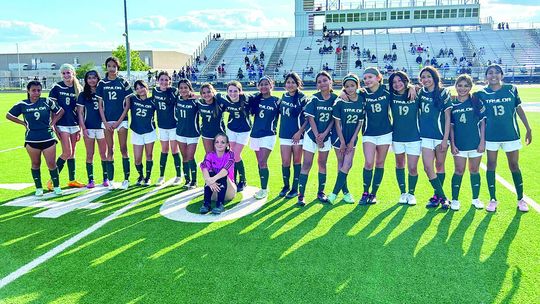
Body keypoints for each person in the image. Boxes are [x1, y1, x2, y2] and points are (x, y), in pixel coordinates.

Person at [475, 64, 532, 212]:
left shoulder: (511, 89)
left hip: (510, 135)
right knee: (491, 165)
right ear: (486, 76)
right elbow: (462, 97)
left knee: (514, 165)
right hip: (491, 136)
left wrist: (528, 128)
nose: (493, 75)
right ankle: (492, 199)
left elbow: (518, 109)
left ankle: (520, 199)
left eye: (496, 73)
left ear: (502, 75)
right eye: (490, 73)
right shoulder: (481, 93)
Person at [6, 81, 64, 196]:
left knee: (51, 164)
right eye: (33, 90)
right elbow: (9, 115)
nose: (36, 93)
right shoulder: (23, 104)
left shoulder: (47, 101)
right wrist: (23, 123)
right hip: (32, 140)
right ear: (28, 91)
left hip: (48, 138)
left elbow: (60, 111)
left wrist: (53, 123)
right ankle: (38, 188)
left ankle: (57, 186)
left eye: (38, 90)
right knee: (35, 163)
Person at [297, 71, 336, 206]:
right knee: (307, 164)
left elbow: (333, 119)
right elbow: (310, 118)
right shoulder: (314, 98)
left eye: (325, 80)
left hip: (326, 136)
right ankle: (301, 195)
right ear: (317, 85)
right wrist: (317, 135)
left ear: (330, 82)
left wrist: (324, 134)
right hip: (311, 135)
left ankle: (321, 192)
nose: (322, 83)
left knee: (322, 163)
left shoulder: (335, 99)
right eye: (319, 81)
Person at [449, 74, 486, 211]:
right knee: (459, 170)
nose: (462, 88)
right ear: (455, 86)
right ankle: (455, 200)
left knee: (474, 170)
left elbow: (483, 123)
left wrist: (482, 142)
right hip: (460, 144)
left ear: (470, 87)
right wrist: (452, 144)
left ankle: (475, 199)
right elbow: (451, 127)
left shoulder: (476, 101)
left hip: (475, 143)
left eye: (466, 86)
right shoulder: (452, 104)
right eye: (459, 85)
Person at [417, 66, 452, 209]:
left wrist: (445, 139)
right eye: (423, 77)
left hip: (440, 136)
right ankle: (443, 196)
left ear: (434, 77)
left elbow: (448, 117)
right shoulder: (420, 93)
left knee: (439, 165)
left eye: (428, 76)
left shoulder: (443, 93)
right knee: (427, 167)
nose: (426, 80)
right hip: (425, 136)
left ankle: (436, 197)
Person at [96, 57, 133, 190]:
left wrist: (118, 122)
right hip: (106, 121)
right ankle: (111, 180)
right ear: (106, 67)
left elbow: (127, 104)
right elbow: (100, 105)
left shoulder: (123, 82)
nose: (112, 68)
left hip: (121, 120)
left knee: (123, 149)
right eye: (109, 66)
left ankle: (126, 179)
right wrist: (105, 122)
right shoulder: (102, 83)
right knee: (110, 150)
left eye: (114, 66)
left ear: (118, 68)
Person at [327, 74, 364, 204]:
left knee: (347, 165)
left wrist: (352, 140)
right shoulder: (339, 101)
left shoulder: (361, 100)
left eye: (352, 85)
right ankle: (345, 192)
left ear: (357, 86)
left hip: (352, 136)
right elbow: (337, 124)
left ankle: (334, 193)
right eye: (347, 86)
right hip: (339, 137)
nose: (349, 88)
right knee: (342, 164)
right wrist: (342, 141)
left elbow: (359, 123)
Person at [357, 68, 392, 205]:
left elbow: (404, 90)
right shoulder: (362, 93)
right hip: (369, 133)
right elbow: (348, 92)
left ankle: (374, 194)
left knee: (379, 163)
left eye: (370, 77)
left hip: (385, 132)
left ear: (378, 78)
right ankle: (365, 192)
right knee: (369, 162)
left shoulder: (387, 91)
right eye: (365, 78)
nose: (367, 80)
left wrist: (412, 87)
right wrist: (342, 92)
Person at [48, 63, 85, 189]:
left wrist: (80, 127)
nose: (66, 75)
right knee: (66, 152)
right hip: (62, 124)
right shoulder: (57, 87)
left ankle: (72, 180)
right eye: (63, 73)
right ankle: (52, 180)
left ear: (73, 73)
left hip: (74, 123)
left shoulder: (79, 89)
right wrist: (53, 125)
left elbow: (81, 111)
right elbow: (52, 108)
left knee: (72, 152)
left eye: (68, 72)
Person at [389, 71, 421, 206]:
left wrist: (413, 87)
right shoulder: (390, 95)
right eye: (394, 82)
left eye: (400, 80)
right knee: (400, 165)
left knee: (413, 168)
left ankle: (411, 193)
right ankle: (403, 193)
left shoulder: (416, 94)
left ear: (406, 80)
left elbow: (425, 87)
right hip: (397, 137)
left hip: (414, 137)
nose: (397, 84)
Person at [216, 81, 252, 192]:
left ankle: (243, 180)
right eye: (230, 91)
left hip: (244, 131)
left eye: (235, 91)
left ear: (240, 91)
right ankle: (233, 179)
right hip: (231, 129)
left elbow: (257, 96)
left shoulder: (246, 99)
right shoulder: (224, 99)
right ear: (227, 92)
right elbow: (214, 94)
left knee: (236, 155)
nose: (233, 93)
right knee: (232, 155)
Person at [249, 76, 280, 200]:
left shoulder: (277, 101)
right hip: (255, 134)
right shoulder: (255, 99)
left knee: (262, 161)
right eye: (261, 84)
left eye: (266, 84)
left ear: (271, 85)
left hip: (268, 135)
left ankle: (263, 189)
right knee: (260, 163)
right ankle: (264, 186)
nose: (263, 86)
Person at [76, 70, 108, 188]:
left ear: (98, 79)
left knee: (103, 154)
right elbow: (80, 112)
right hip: (88, 127)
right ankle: (91, 180)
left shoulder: (103, 93)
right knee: (90, 154)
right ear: (86, 80)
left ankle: (106, 178)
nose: (92, 80)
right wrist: (83, 128)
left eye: (94, 77)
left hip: (102, 127)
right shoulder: (83, 95)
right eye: (89, 78)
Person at [278, 72, 308, 198]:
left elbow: (308, 118)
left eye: (293, 82)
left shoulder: (302, 97)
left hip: (297, 135)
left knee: (296, 161)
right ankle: (286, 186)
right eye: (288, 82)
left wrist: (299, 132)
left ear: (298, 84)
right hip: (284, 134)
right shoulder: (283, 96)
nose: (290, 85)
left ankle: (295, 189)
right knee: (285, 161)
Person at [153, 71, 182, 186]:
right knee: (164, 150)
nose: (164, 82)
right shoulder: (155, 91)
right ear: (158, 80)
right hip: (162, 126)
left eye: (166, 80)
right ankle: (161, 176)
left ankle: (179, 175)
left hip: (173, 126)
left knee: (175, 150)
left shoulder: (173, 91)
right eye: (162, 79)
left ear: (169, 81)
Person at [126, 80, 157, 186]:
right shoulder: (133, 99)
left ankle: (148, 177)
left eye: (142, 87)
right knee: (137, 158)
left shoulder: (153, 100)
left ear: (146, 87)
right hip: (136, 131)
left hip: (149, 131)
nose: (140, 90)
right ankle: (141, 175)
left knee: (149, 155)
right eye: (137, 88)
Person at [200, 133, 237, 215]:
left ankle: (220, 204)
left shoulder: (230, 154)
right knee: (210, 173)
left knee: (221, 175)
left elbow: (225, 171)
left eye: (223, 142)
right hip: (213, 190)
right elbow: (204, 167)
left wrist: (212, 180)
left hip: (228, 191)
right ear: (214, 143)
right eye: (217, 142)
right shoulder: (209, 155)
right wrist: (209, 181)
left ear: (227, 144)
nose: (219, 144)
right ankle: (206, 204)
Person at [176, 78, 200, 189]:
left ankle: (194, 181)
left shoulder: (195, 101)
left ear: (190, 88)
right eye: (181, 88)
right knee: (184, 157)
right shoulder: (177, 99)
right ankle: (187, 180)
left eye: (185, 87)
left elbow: (210, 98)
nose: (183, 90)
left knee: (190, 156)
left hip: (193, 133)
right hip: (180, 132)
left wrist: (198, 97)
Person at [198, 83, 226, 153]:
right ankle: (206, 164)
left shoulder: (219, 103)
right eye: (204, 93)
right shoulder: (200, 103)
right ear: (201, 94)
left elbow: (222, 96)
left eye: (209, 92)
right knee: (209, 155)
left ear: (213, 92)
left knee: (219, 155)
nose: (206, 94)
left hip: (219, 132)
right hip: (206, 133)